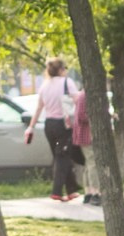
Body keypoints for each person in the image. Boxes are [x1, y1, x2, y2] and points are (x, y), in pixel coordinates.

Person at [26, 55, 88, 203]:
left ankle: (72, 189)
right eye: (64, 68)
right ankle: (57, 192)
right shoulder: (67, 83)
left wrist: (31, 127)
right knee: (63, 156)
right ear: (60, 69)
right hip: (63, 124)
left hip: (49, 125)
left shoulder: (44, 86)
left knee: (60, 155)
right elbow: (77, 101)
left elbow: (39, 108)